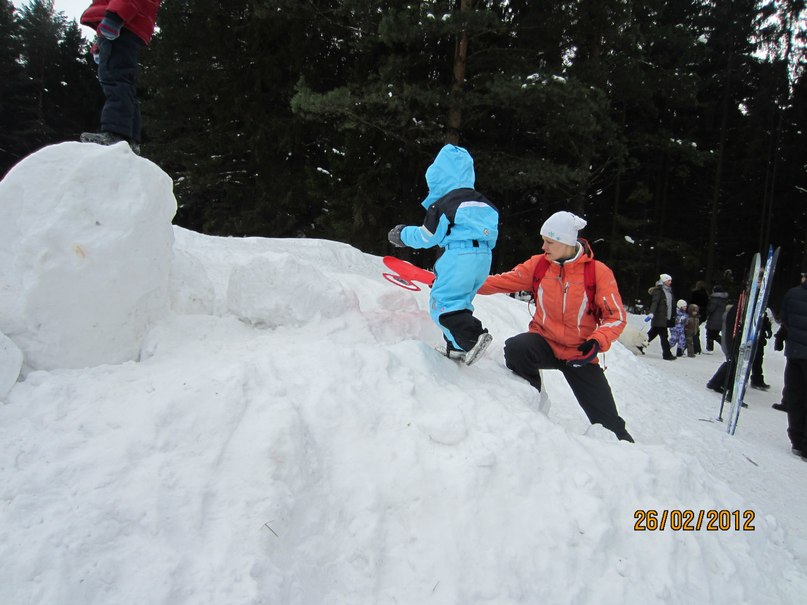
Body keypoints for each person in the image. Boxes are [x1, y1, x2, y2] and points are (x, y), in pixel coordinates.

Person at [477, 211, 633, 442]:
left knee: (609, 426)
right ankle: (529, 401)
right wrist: (458, 283)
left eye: (549, 242)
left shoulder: (597, 273)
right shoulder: (539, 266)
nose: (543, 247)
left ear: (566, 242)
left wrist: (597, 341)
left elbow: (615, 316)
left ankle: (628, 453)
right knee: (517, 348)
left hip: (580, 352)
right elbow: (501, 282)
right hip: (545, 342)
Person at [387, 144, 498, 365]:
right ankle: (455, 346)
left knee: (443, 303)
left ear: (439, 177)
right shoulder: (485, 203)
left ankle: (471, 336)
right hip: (484, 259)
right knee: (460, 302)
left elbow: (428, 237)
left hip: (459, 257)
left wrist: (402, 235)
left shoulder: (445, 203)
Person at [79, 1, 162, 154]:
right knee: (124, 81)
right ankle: (130, 138)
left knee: (115, 78)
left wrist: (114, 17)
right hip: (127, 24)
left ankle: (116, 134)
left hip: (123, 22)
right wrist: (100, 42)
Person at [779, 271, 807, 460]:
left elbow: (785, 320)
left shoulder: (792, 293)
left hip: (795, 353)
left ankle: (796, 439)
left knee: (795, 395)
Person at [646, 274, 676, 360]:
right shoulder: (659, 291)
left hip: (665, 317)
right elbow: (655, 303)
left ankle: (639, 345)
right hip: (660, 317)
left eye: (670, 280)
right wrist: (652, 313)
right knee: (664, 336)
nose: (670, 282)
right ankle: (667, 354)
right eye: (668, 280)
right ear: (663, 281)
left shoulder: (669, 291)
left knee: (652, 333)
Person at [750, 313, 773, 390]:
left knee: (758, 360)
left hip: (759, 339)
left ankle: (757, 380)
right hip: (751, 337)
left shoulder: (762, 311)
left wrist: (768, 328)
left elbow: (764, 319)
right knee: (750, 360)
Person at [705, 284, 729, 352]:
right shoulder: (724, 299)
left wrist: (707, 310)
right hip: (720, 320)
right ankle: (722, 344)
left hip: (713, 319)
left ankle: (710, 348)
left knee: (710, 334)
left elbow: (711, 309)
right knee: (714, 334)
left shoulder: (714, 299)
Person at [690, 280, 709, 353]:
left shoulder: (695, 293)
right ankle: (697, 347)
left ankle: (696, 347)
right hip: (702, 313)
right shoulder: (706, 294)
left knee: (694, 330)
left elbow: (691, 302)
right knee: (695, 329)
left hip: (695, 312)